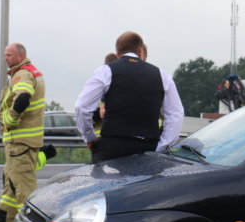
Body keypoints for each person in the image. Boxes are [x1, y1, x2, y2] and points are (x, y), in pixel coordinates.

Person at [75, 31, 184, 163]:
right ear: (140, 51)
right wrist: (162, 147)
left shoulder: (104, 72)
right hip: (148, 148)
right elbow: (176, 113)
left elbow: (82, 107)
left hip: (111, 148)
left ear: (117, 54)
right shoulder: (162, 75)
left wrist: (90, 138)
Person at [0, 43, 46, 222]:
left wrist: (10, 120)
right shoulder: (27, 72)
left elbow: (23, 97)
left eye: (9, 55)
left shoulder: (23, 74)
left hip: (21, 140)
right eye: (5, 55)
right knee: (12, 181)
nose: (5, 59)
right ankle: (4, 217)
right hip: (20, 141)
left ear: (21, 56)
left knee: (23, 184)